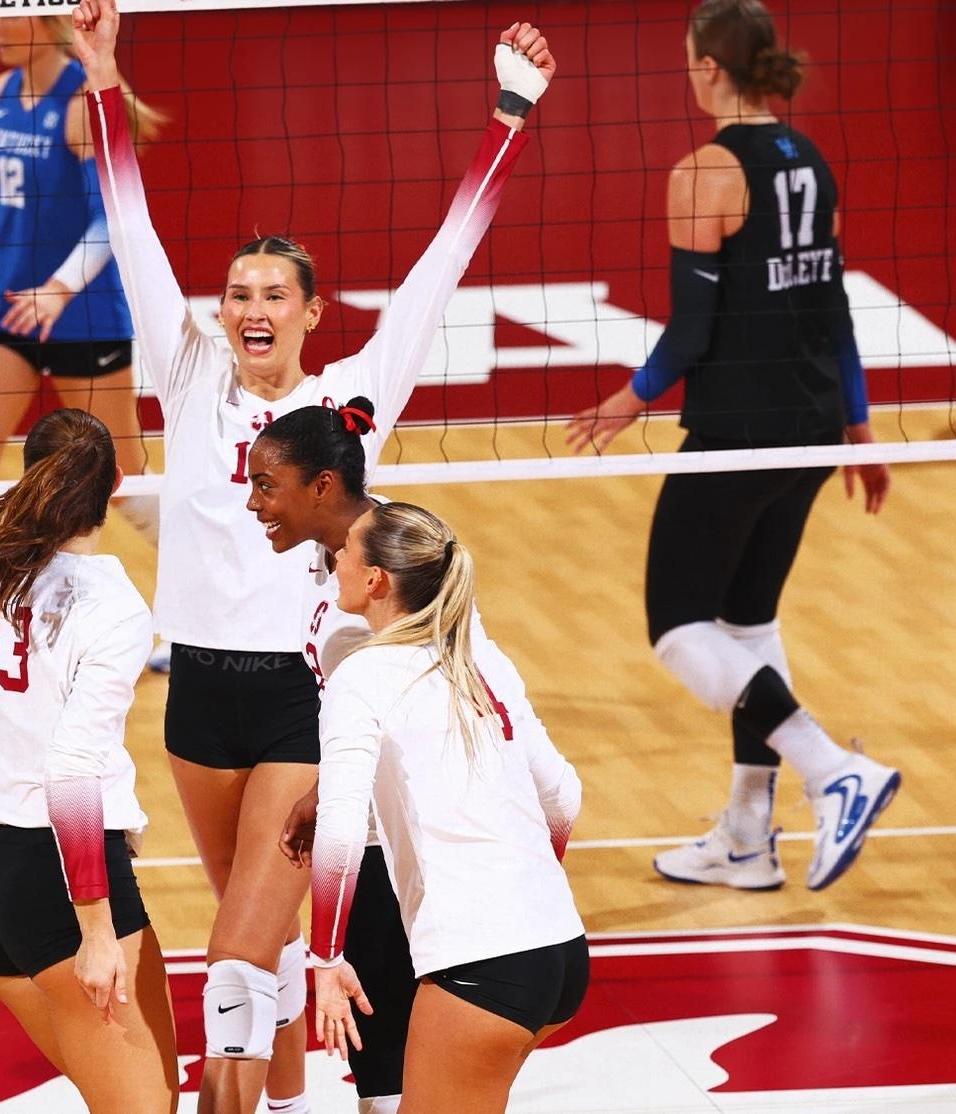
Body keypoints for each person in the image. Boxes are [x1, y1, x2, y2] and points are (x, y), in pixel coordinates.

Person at [73, 0, 554, 1108]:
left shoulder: (350, 404)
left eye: (271, 295)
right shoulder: (189, 379)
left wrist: (509, 116)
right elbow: (129, 220)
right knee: (270, 949)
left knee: (236, 954)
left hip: (300, 703)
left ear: (309, 313)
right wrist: (104, 74)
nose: (249, 307)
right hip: (196, 698)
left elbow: (443, 260)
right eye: (236, 292)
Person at [564, 0, 899, 892]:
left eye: (688, 62)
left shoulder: (706, 170)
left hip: (737, 433)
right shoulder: (811, 160)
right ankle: (749, 836)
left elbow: (693, 329)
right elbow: (832, 307)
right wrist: (859, 426)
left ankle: (835, 772)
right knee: (750, 625)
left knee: (678, 629)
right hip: (814, 429)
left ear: (711, 69)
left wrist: (626, 401)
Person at [249, 399, 555, 1114]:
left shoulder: (378, 572)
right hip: (406, 839)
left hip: (400, 849)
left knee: (391, 1068)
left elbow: (431, 699)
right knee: (386, 1070)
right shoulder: (358, 554)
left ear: (321, 485)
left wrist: (325, 951)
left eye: (268, 484)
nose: (254, 502)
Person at [0, 408, 179, 1112]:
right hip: (64, 891)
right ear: (115, 486)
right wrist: (96, 931)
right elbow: (73, 769)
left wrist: (1, 729)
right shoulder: (113, 605)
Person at [309, 502, 586, 1114]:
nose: (337, 559)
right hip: (560, 954)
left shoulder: (363, 676)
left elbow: (341, 833)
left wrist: (325, 958)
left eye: (347, 550)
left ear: (376, 578)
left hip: (483, 967)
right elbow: (563, 797)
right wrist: (524, 893)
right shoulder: (484, 661)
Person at [0, 15, 163, 550]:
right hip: (4, 301)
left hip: (84, 313)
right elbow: (7, 199)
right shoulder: (0, 93)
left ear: (47, 21)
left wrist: (59, 287)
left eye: (9, 15)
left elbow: (111, 216)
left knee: (125, 476)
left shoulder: (80, 104)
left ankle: (210, 588)